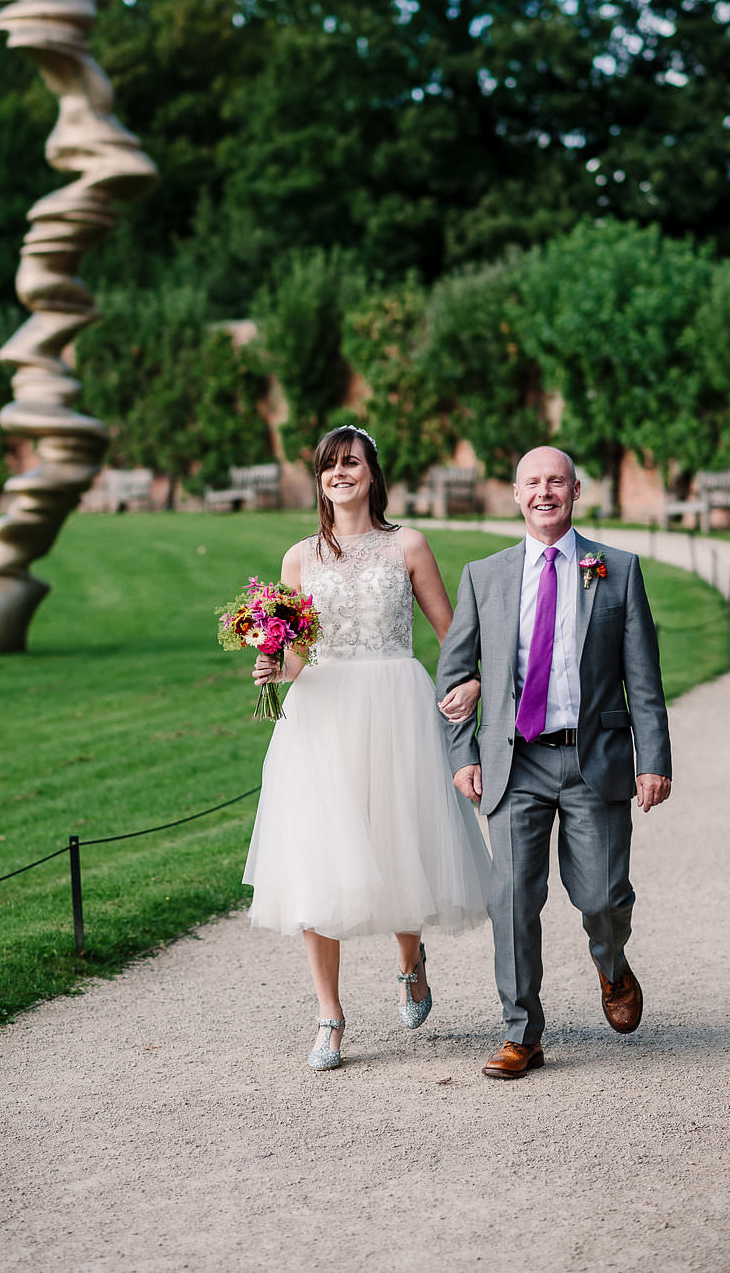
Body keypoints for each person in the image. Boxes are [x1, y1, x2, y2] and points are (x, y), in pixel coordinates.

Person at [244, 425, 491, 1071]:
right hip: (321, 714)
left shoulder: (406, 543)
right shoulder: (299, 557)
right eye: (330, 465)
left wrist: (472, 682)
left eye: (352, 462)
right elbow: (299, 654)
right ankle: (330, 1014)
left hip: (395, 707)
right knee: (315, 855)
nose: (340, 473)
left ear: (373, 474)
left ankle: (411, 961)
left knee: (397, 839)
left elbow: (451, 634)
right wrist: (275, 663)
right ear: (320, 478)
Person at [436, 445, 672, 1080]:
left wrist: (654, 760)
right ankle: (521, 1032)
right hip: (514, 763)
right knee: (511, 898)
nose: (545, 493)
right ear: (515, 495)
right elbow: (454, 678)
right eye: (532, 483)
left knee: (600, 894)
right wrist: (463, 755)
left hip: (592, 758)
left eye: (557, 482)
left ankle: (612, 964)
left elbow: (642, 679)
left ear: (576, 492)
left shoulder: (615, 570)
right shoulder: (483, 576)